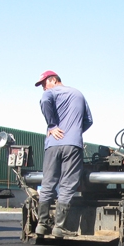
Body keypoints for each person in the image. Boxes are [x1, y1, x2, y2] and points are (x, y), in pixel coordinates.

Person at [34, 71, 93, 237]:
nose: (44, 88)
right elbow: (89, 120)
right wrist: (74, 131)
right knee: (67, 185)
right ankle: (59, 227)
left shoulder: (50, 93)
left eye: (44, 84)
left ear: (53, 80)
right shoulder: (78, 94)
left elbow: (45, 100)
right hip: (73, 145)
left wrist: (52, 126)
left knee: (47, 183)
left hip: (53, 144)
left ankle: (42, 224)